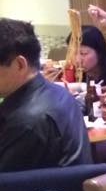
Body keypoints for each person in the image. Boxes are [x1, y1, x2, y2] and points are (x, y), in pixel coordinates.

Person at [0, 17, 93, 171]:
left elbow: (6, 180)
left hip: (52, 187)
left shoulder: (27, 122)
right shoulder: (59, 93)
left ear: (20, 64)